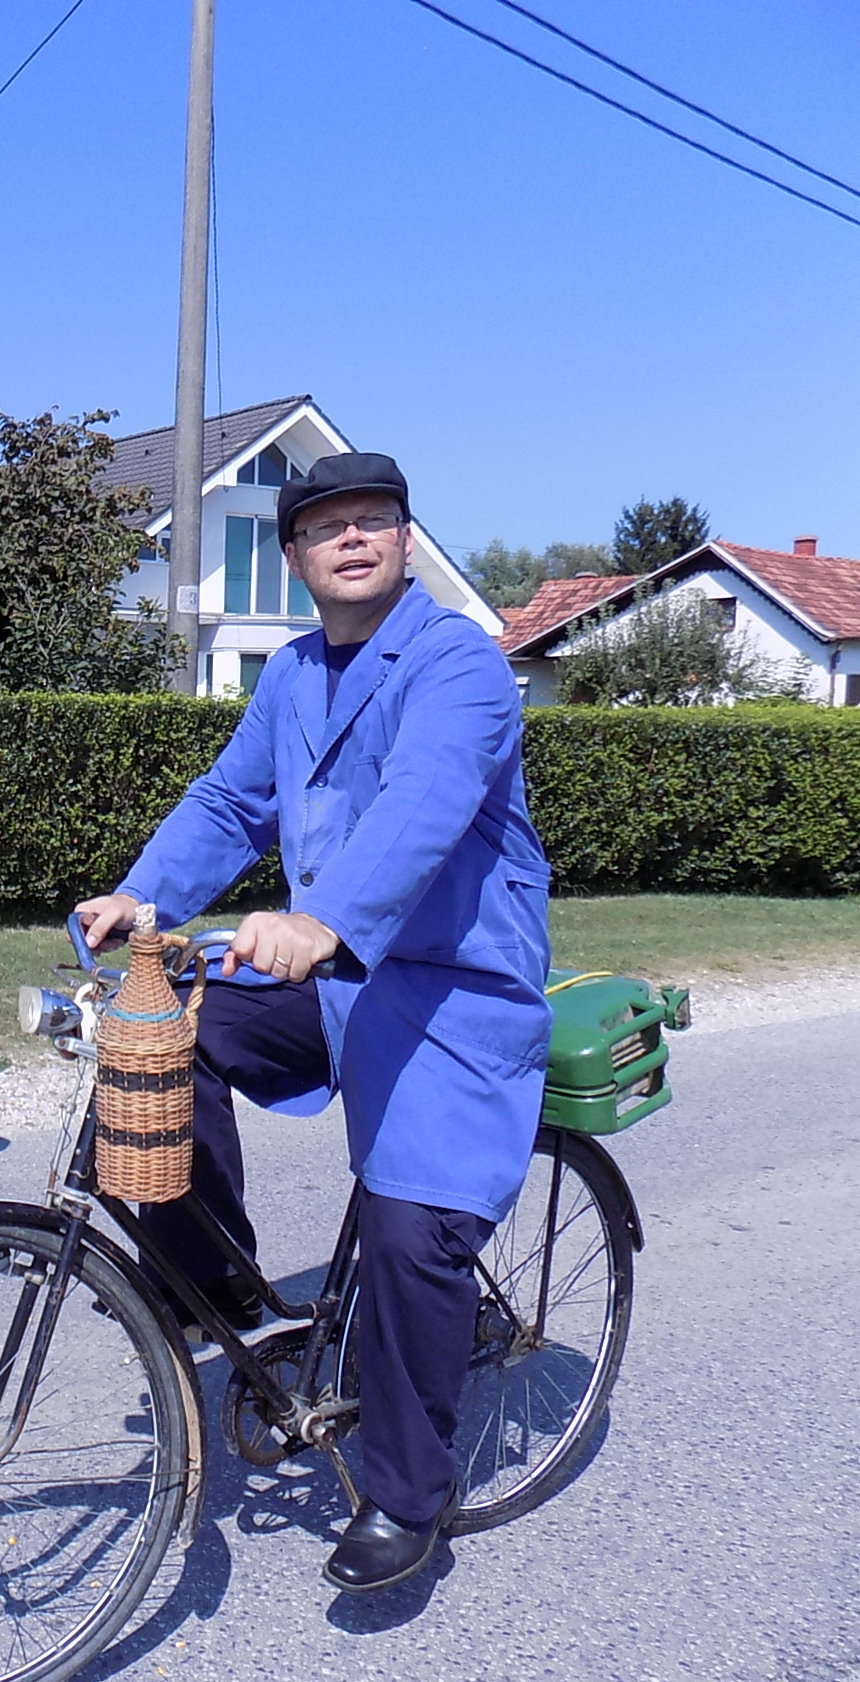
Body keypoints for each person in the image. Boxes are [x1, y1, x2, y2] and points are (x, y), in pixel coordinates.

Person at [74, 452, 552, 1596]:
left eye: (372, 520)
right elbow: (232, 800)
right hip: (331, 973)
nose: (351, 538)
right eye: (324, 525)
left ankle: (405, 1490)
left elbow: (425, 801)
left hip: (448, 988)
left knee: (407, 1238)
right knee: (155, 1053)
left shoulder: (459, 666)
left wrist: (324, 916)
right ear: (292, 557)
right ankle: (227, 1294)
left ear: (402, 540)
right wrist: (149, 895)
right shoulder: (290, 674)